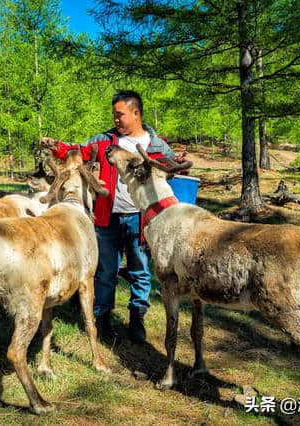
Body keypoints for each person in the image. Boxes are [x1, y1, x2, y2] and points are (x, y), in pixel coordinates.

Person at [41, 90, 187, 344]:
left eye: (120, 114)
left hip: (141, 219)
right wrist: (58, 147)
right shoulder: (104, 141)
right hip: (107, 218)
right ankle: (103, 319)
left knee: (140, 270)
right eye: (114, 115)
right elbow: (77, 153)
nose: (116, 119)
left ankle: (137, 318)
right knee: (105, 271)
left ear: (136, 113)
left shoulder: (156, 146)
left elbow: (169, 168)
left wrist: (178, 161)